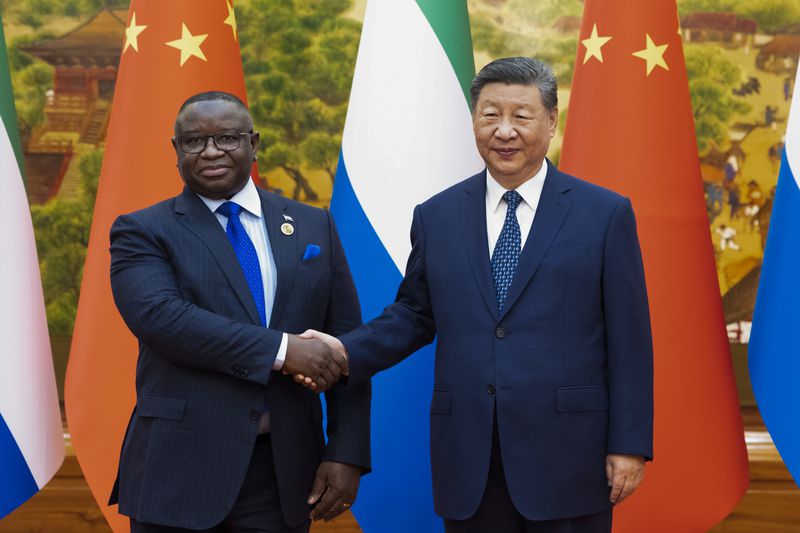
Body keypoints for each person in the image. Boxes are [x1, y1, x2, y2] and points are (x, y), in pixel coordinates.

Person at [301, 58, 653, 533]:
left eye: (521, 116)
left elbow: (630, 340)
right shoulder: (437, 216)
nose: (504, 131)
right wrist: (343, 351)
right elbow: (413, 315)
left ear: (551, 121)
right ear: (474, 121)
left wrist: (628, 443)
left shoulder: (604, 214)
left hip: (571, 455)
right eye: (490, 115)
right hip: (471, 458)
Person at [107, 91, 371, 533]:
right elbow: (162, 318)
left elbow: (346, 344)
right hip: (179, 470)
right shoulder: (142, 230)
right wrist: (284, 350)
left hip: (282, 472)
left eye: (228, 138)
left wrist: (346, 450)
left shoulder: (313, 224)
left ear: (254, 143)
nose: (211, 151)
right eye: (194, 141)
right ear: (176, 150)